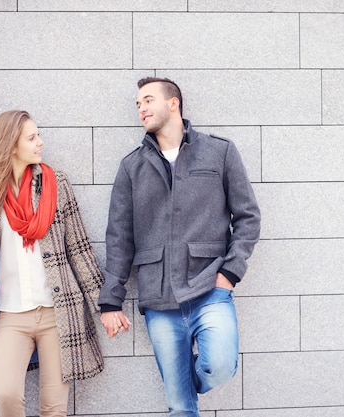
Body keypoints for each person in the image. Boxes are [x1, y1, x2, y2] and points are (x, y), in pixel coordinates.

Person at [98, 77, 261, 416]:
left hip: (210, 288)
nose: (141, 108)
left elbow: (247, 217)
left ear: (173, 103)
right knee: (180, 407)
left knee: (219, 367)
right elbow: (119, 238)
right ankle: (183, 391)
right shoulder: (132, 167)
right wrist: (110, 301)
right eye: (138, 103)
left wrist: (229, 273)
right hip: (159, 299)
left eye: (148, 100)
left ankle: (187, 382)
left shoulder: (220, 151)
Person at [0, 110, 104, 417]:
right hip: (9, 317)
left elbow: (79, 249)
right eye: (32, 137)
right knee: (7, 397)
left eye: (38, 135)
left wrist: (104, 305)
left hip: (57, 314)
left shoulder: (56, 184)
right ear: (11, 145)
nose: (41, 142)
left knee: (54, 408)